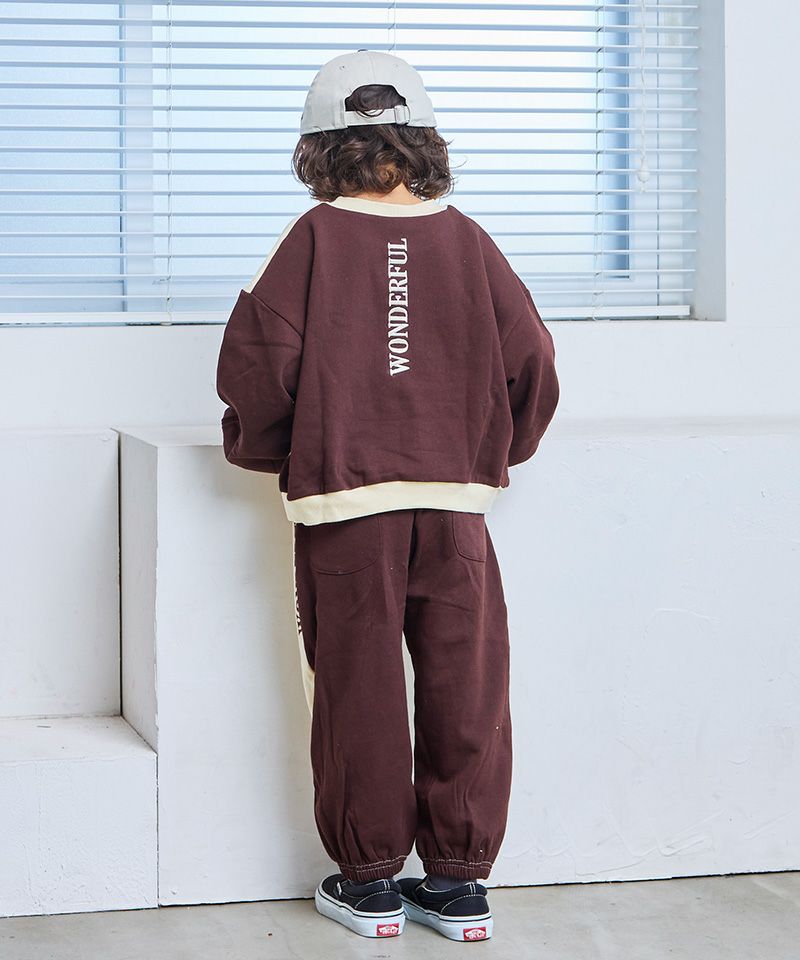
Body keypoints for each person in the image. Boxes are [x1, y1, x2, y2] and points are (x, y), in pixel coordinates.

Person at [215, 49, 560, 942]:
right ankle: (458, 884)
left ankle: (370, 885)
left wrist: (282, 452)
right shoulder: (469, 240)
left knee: (357, 684)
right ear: (425, 144)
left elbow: (257, 366)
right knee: (465, 679)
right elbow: (533, 363)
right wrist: (486, 453)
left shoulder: (311, 239)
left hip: (345, 507)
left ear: (318, 150)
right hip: (455, 508)